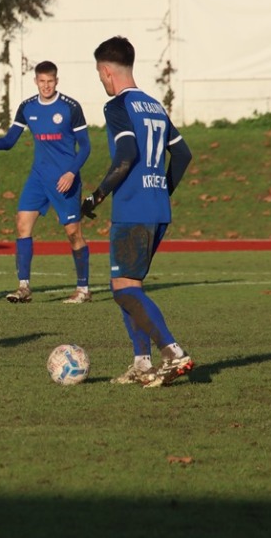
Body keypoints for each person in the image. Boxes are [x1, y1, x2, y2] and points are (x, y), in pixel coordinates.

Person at [83, 36, 194, 388]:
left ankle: (174, 353)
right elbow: (184, 155)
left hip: (132, 209)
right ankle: (141, 363)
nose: (101, 81)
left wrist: (97, 196)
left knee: (123, 290)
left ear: (106, 71)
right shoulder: (154, 105)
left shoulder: (117, 107)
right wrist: (161, 189)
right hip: (157, 207)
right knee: (128, 285)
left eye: (100, 75)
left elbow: (127, 154)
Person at [0, 60, 92, 304]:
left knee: (73, 234)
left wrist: (71, 173)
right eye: (42, 81)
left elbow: (85, 146)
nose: (46, 86)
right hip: (38, 178)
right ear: (36, 81)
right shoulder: (27, 107)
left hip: (65, 180)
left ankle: (83, 289)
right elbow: (9, 141)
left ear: (56, 81)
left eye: (50, 81)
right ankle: (24, 287)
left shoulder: (71, 107)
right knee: (22, 223)